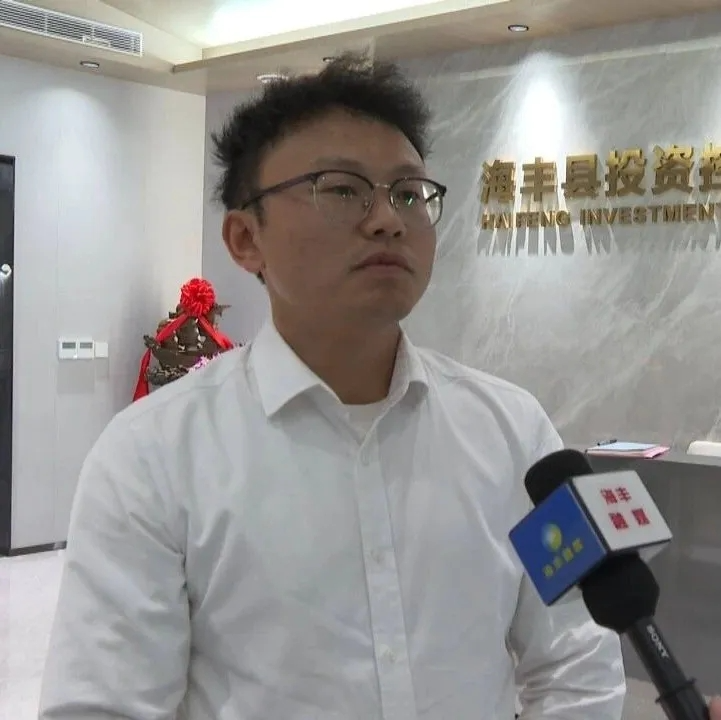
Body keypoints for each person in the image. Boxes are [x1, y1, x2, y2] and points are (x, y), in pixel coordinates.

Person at [38, 54, 718, 720]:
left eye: (408, 193)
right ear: (245, 239)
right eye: (341, 189)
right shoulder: (152, 454)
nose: (388, 218)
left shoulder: (513, 431)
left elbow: (574, 666)